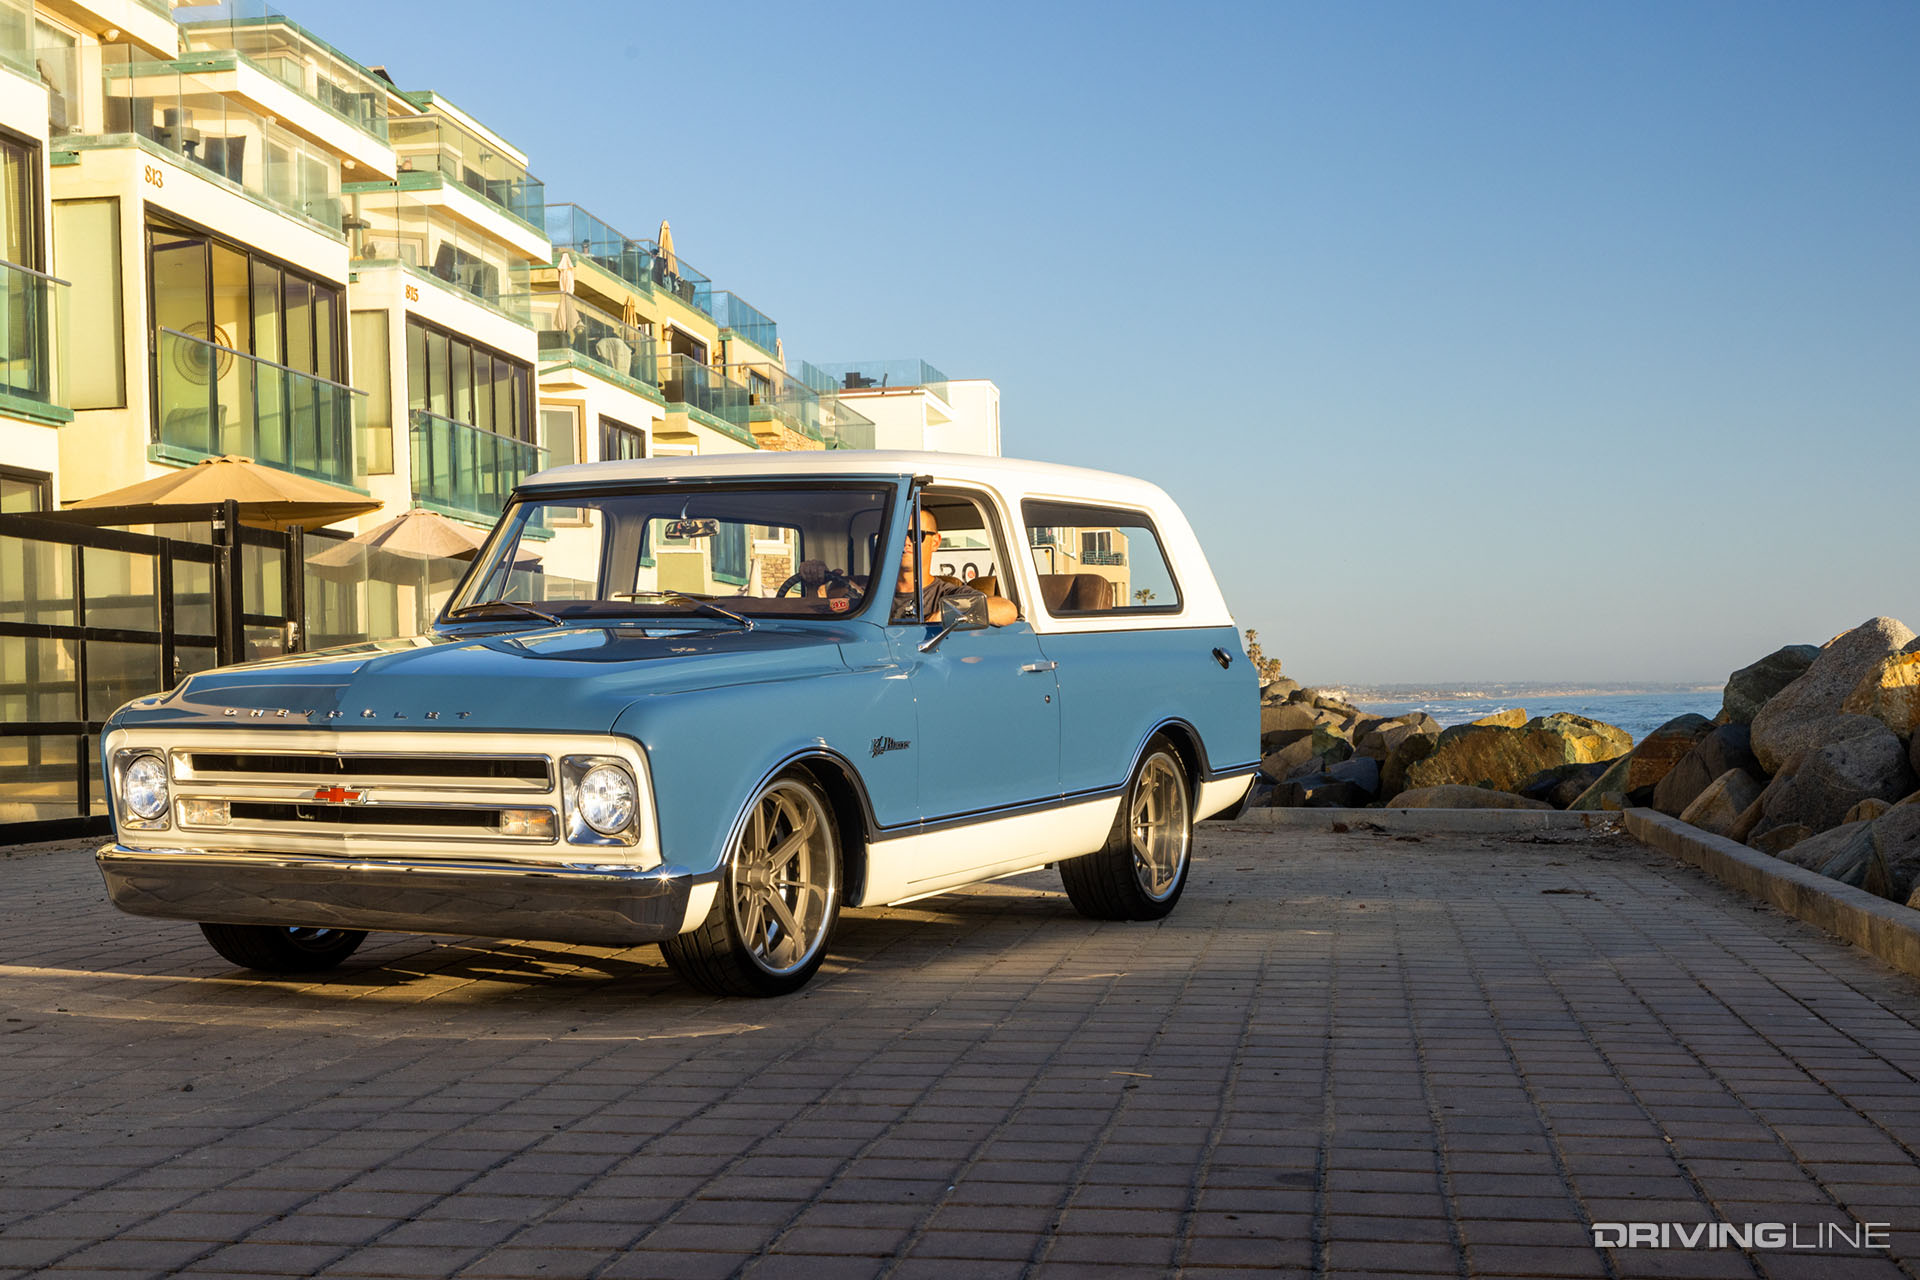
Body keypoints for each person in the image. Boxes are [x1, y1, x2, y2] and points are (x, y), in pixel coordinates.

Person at [892, 507, 1019, 625]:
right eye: (897, 535)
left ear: (935, 542)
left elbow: (1007, 610)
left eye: (915, 535)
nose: (905, 542)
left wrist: (946, 613)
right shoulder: (873, 594)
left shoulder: (949, 594)